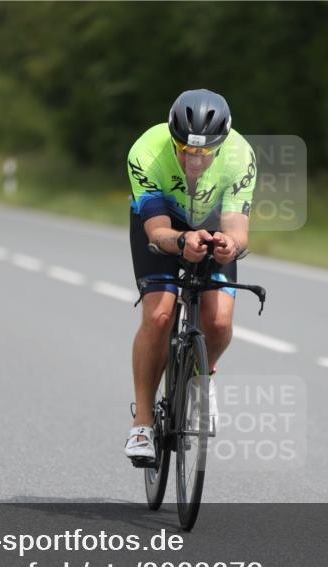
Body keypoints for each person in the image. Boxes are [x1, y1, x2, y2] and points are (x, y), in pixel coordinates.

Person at [123, 89, 257, 463]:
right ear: (172, 138)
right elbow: (156, 231)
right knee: (160, 314)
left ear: (221, 144)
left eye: (204, 153)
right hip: (163, 221)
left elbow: (238, 228)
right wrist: (181, 241)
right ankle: (143, 423)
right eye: (185, 150)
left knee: (218, 321)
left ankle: (200, 378)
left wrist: (229, 245)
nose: (193, 160)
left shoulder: (240, 155)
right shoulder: (146, 152)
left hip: (211, 222)